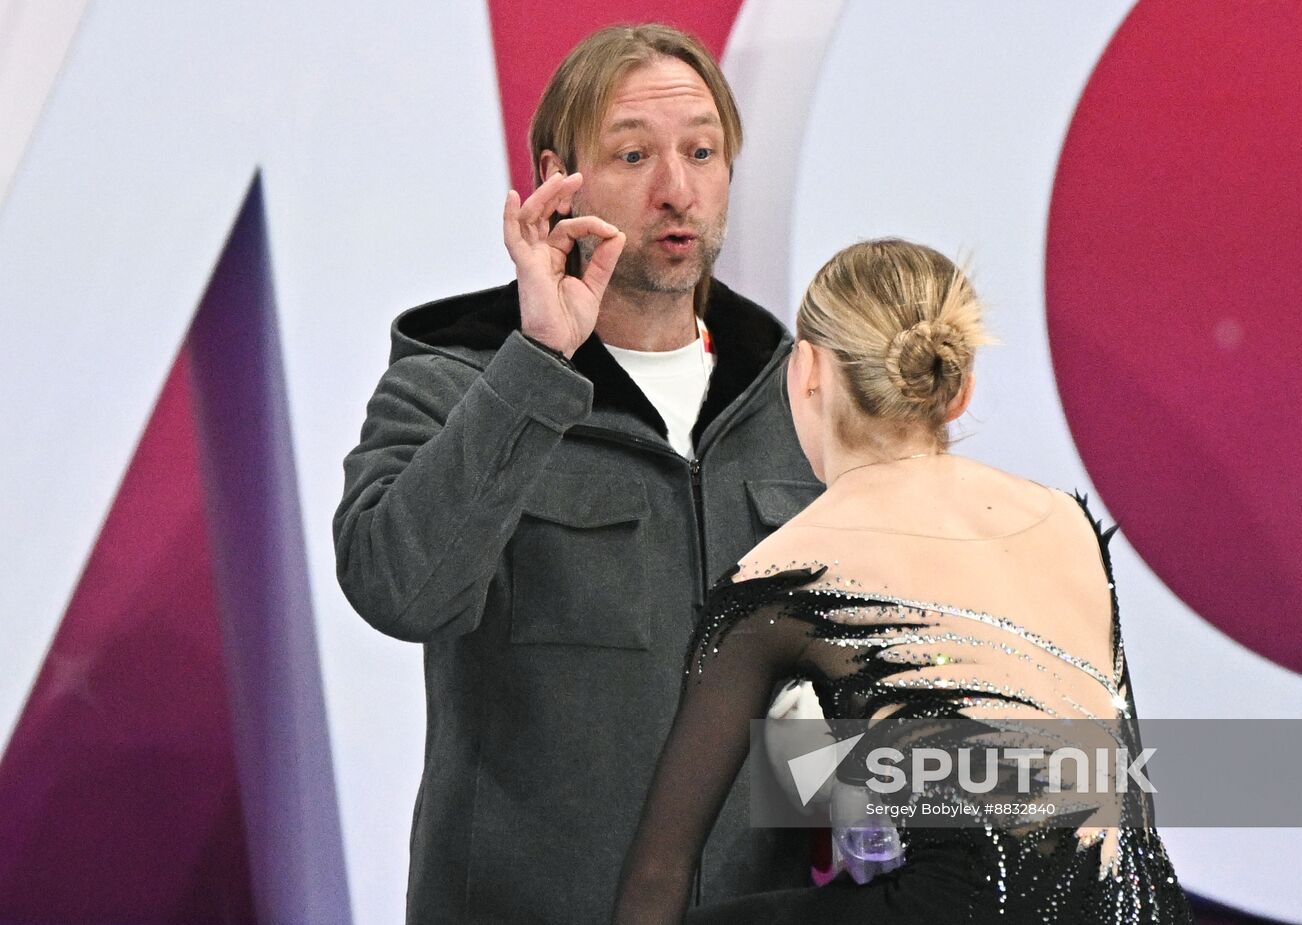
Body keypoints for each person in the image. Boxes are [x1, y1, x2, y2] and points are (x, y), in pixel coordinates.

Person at [333, 24, 823, 925]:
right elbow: (400, 591)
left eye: (703, 152)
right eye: (633, 154)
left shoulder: (806, 404)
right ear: (560, 179)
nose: (676, 189)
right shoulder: (452, 384)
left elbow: (852, 701)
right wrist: (538, 362)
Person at [612, 239, 1195, 923]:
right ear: (960, 387)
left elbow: (660, 869)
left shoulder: (785, 571)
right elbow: (1085, 785)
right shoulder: (1068, 521)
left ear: (805, 372)